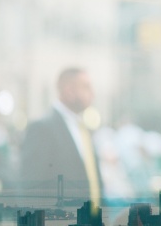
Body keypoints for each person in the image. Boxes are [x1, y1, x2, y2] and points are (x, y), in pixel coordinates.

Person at [20, 67, 102, 208]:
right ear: (69, 91)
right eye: (86, 87)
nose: (93, 93)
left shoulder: (83, 128)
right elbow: (32, 187)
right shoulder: (43, 128)